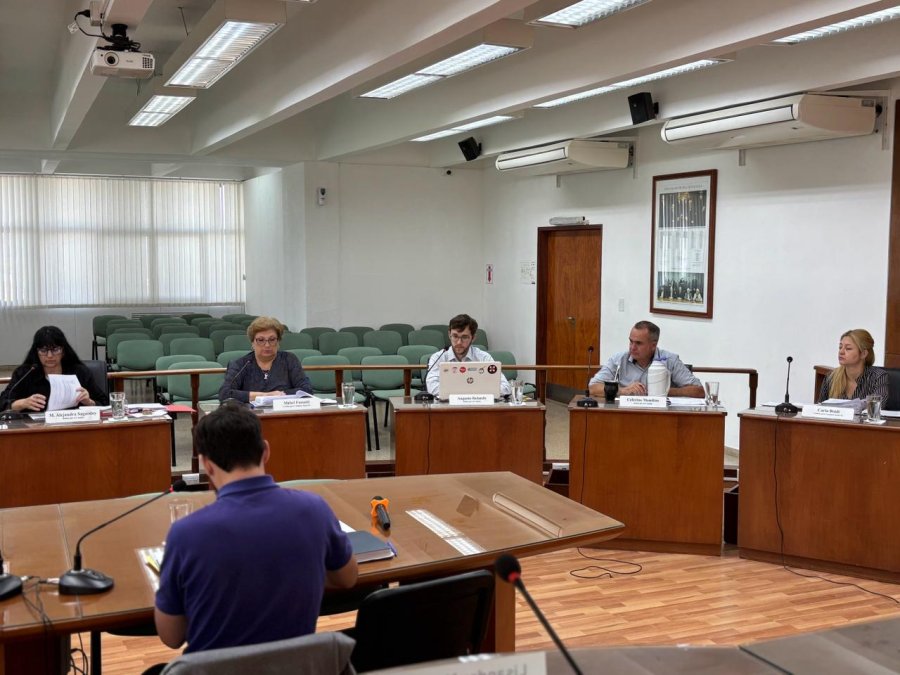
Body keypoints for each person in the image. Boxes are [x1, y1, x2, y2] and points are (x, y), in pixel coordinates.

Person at [153, 402, 358, 656]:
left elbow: (171, 636)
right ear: (266, 451)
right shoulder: (314, 509)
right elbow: (347, 578)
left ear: (206, 464)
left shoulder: (186, 534)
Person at [0, 325, 108, 412]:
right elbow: (3, 402)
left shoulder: (79, 372)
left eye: (55, 349)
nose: (50, 355)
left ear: (63, 351)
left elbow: (105, 403)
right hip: (35, 432)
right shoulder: (25, 373)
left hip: (73, 428)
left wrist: (89, 402)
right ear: (36, 352)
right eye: (43, 350)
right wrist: (21, 403)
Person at [588, 320, 704, 398]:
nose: (632, 347)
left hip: (662, 419)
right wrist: (623, 390)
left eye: (638, 343)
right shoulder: (619, 359)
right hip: (625, 417)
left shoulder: (670, 360)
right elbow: (593, 387)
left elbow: (699, 391)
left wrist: (664, 391)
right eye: (631, 341)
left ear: (653, 345)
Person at [218, 316, 312, 402]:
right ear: (252, 342)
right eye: (261, 340)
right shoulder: (240, 364)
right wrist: (266, 396)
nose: (267, 345)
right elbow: (225, 394)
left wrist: (278, 396)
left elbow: (306, 390)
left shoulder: (289, 360)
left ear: (278, 341)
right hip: (250, 416)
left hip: (284, 414)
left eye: (272, 339)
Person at [425, 314, 510, 399]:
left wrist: (466, 395)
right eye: (455, 336)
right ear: (449, 335)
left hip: (477, 405)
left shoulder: (484, 358)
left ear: (473, 338)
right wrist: (471, 392)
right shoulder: (438, 358)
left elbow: (505, 387)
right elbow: (431, 386)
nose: (458, 342)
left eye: (464, 337)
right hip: (447, 406)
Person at [819, 329, 889, 403]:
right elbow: (819, 408)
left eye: (848, 348)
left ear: (863, 354)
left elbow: (877, 406)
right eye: (840, 347)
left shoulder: (878, 377)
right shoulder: (831, 377)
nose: (841, 352)